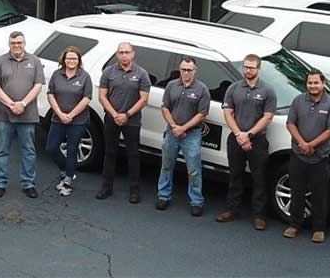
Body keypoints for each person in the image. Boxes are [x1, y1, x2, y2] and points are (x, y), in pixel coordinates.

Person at [216, 54, 277, 230]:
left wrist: (248, 135)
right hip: (236, 138)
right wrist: (239, 135)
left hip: (257, 140)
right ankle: (231, 209)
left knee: (259, 178)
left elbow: (268, 117)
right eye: (245, 67)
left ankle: (259, 215)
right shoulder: (234, 88)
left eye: (251, 67)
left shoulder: (268, 91)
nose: (248, 70)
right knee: (235, 175)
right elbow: (228, 112)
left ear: (259, 69)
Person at [283, 70, 330, 243]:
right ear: (306, 84)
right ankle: (294, 225)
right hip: (298, 155)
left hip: (320, 157)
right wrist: (302, 143)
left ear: (323, 84)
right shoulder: (298, 100)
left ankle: (318, 228)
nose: (313, 86)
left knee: (319, 194)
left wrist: (312, 145)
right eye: (310, 83)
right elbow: (290, 123)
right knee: (297, 191)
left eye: (316, 83)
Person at [0, 31, 45, 198]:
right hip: (3, 115)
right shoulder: (0, 61)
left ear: (24, 43)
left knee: (28, 150)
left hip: (27, 115)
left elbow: (38, 86)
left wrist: (23, 104)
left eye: (19, 42)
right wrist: (11, 104)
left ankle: (28, 183)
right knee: (1, 150)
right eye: (13, 43)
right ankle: (0, 183)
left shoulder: (34, 61)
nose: (17, 46)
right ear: (9, 44)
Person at [96, 42, 151, 204]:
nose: (124, 55)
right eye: (121, 52)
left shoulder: (141, 74)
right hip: (111, 118)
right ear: (117, 54)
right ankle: (106, 187)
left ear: (133, 54)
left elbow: (144, 99)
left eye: (127, 52)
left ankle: (134, 191)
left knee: (133, 155)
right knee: (110, 152)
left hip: (132, 120)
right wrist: (115, 114)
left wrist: (126, 114)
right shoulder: (108, 72)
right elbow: (102, 96)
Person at [156, 57, 210, 216]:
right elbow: (165, 108)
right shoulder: (171, 85)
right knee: (166, 165)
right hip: (172, 132)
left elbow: (202, 114)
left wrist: (183, 128)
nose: (186, 72)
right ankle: (163, 196)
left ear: (195, 71)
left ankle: (196, 201)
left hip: (192, 134)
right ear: (179, 70)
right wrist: (174, 127)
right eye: (183, 69)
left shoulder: (202, 89)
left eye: (189, 70)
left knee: (193, 169)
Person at [45, 46, 92, 197]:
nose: (71, 61)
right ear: (63, 60)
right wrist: (59, 113)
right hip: (57, 119)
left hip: (78, 121)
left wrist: (70, 115)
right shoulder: (56, 74)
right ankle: (66, 170)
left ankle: (67, 182)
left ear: (79, 61)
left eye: (74, 59)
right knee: (51, 148)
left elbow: (87, 98)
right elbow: (50, 94)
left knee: (72, 150)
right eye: (68, 58)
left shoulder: (84, 76)